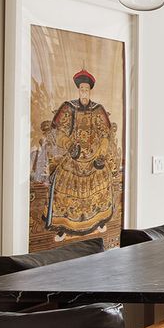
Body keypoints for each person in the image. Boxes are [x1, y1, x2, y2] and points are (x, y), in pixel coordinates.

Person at [44, 68, 117, 241]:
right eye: (81, 89)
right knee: (62, 180)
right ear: (78, 90)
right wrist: (70, 146)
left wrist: (101, 154)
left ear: (90, 90)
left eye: (86, 89)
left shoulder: (98, 110)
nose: (84, 92)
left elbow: (105, 135)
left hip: (93, 156)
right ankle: (63, 226)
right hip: (74, 154)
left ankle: (99, 220)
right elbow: (60, 132)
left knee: (103, 177)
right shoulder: (69, 107)